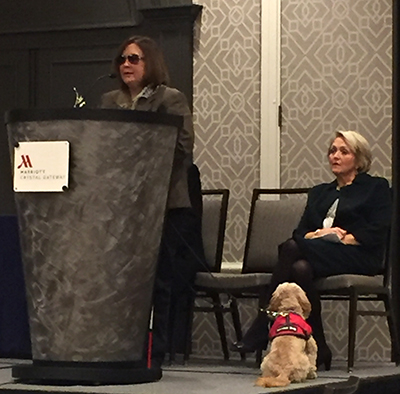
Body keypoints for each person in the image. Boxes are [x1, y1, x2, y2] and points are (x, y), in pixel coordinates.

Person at [231, 130, 391, 371]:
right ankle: (321, 347)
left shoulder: (375, 188)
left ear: (359, 159)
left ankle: (262, 323)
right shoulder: (319, 193)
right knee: (300, 268)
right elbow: (301, 231)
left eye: (343, 152)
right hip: (318, 253)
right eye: (332, 151)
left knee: (291, 249)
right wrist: (319, 236)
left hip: (358, 256)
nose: (335, 156)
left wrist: (344, 237)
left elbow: (378, 230)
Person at [101, 36, 206, 370]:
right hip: (122, 205)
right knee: (121, 279)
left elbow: (181, 146)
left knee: (157, 278)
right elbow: (101, 145)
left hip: (164, 203)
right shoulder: (109, 100)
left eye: (134, 58)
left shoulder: (169, 99)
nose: (126, 65)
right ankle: (119, 345)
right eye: (122, 59)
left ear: (151, 63)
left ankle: (154, 350)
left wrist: (138, 163)